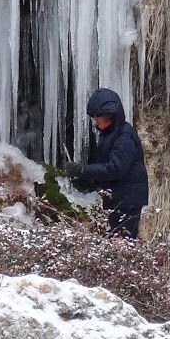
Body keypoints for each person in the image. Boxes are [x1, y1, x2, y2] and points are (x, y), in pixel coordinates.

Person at [62, 87, 149, 239]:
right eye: (94, 116)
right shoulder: (109, 134)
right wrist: (86, 183)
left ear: (110, 114)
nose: (95, 120)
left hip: (127, 201)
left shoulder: (124, 135)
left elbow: (116, 169)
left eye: (98, 116)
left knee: (122, 242)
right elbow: (106, 169)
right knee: (118, 241)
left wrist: (83, 170)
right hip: (119, 199)